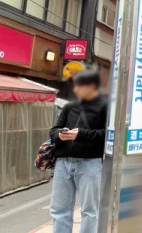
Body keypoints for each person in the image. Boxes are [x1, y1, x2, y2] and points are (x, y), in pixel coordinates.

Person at [49, 69, 107, 233]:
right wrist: (60, 135)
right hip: (63, 163)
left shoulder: (104, 107)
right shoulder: (70, 107)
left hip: (89, 163)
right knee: (59, 210)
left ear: (92, 86)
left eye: (79, 86)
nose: (75, 89)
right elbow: (54, 130)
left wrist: (81, 134)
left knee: (89, 210)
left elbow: (108, 135)